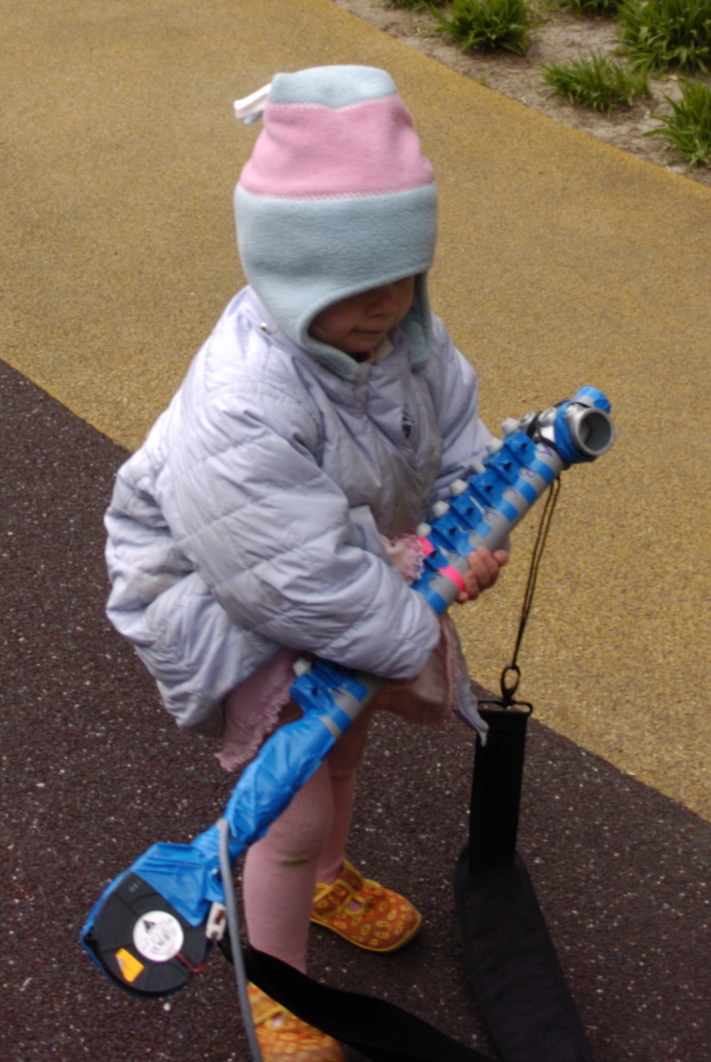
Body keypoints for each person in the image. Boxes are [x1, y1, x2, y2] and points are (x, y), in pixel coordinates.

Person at [103, 65, 509, 1062]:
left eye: (399, 277)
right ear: (287, 278)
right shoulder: (244, 401)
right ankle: (275, 983)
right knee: (290, 800)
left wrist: (474, 520)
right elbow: (291, 581)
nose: (382, 307)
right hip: (224, 594)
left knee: (345, 737)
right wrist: (411, 623)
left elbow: (454, 434)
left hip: (340, 564)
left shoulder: (407, 338)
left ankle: (323, 881)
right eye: (350, 289)